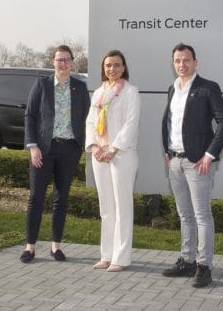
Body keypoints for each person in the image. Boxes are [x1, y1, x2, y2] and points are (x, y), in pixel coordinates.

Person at [161, 43, 223, 288]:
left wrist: (210, 154)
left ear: (195, 62)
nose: (182, 64)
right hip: (175, 161)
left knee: (202, 216)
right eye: (177, 60)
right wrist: (167, 151)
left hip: (197, 163)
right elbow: (170, 123)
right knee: (185, 215)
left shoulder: (207, 88)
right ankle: (187, 261)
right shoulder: (173, 89)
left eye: (186, 60)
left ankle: (204, 266)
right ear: (173, 63)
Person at [20, 44, 91, 263]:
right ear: (53, 61)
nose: (63, 63)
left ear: (72, 62)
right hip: (43, 150)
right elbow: (30, 116)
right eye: (59, 59)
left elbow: (88, 117)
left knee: (61, 199)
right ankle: (30, 247)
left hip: (69, 150)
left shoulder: (80, 87)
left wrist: (82, 146)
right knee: (36, 198)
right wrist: (32, 146)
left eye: (67, 59)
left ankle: (55, 246)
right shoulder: (41, 85)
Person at [85, 49, 140, 272]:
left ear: (123, 67)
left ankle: (121, 257)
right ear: (103, 68)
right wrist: (95, 147)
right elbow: (91, 122)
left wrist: (114, 148)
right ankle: (106, 255)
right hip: (100, 154)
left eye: (116, 65)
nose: (112, 69)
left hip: (122, 155)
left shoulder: (131, 92)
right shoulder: (99, 93)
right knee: (106, 208)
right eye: (108, 65)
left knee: (122, 207)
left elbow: (131, 123)